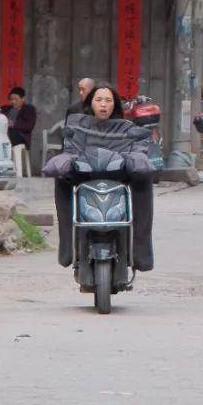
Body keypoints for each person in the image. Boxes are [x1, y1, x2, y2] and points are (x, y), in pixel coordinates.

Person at [48, 83, 155, 273]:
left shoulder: (127, 128)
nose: (103, 104)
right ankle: (67, 248)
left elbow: (139, 147)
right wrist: (66, 161)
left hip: (119, 175)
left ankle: (140, 253)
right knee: (61, 178)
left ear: (115, 104)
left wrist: (137, 158)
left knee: (144, 179)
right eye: (98, 100)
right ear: (91, 103)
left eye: (108, 100)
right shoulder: (77, 126)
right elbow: (70, 149)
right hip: (85, 174)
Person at [2, 85, 37, 150]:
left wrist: (13, 124)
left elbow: (29, 126)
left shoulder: (29, 109)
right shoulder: (5, 109)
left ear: (23, 99)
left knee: (14, 134)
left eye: (16, 99)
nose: (13, 101)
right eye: (11, 99)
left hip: (20, 138)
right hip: (5, 136)